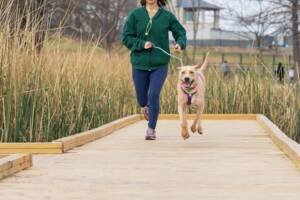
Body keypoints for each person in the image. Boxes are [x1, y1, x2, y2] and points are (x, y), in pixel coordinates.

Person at [122, 0, 186, 140]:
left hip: (160, 63)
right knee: (143, 99)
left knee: (154, 94)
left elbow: (180, 32)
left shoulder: (167, 16)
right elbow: (126, 37)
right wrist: (141, 44)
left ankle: (151, 129)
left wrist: (180, 43)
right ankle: (147, 107)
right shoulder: (135, 15)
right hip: (139, 64)